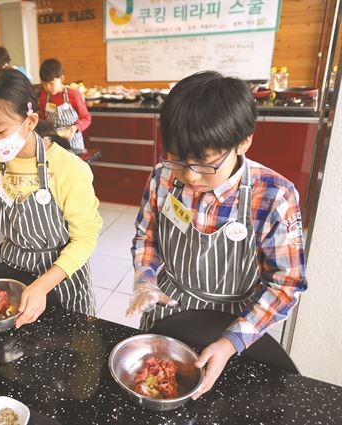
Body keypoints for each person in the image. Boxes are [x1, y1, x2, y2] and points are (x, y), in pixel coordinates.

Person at [125, 71, 308, 399]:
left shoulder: (274, 196)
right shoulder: (164, 177)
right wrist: (145, 279)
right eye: (179, 158)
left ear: (243, 142)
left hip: (232, 324)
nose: (190, 175)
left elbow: (287, 284)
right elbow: (146, 236)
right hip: (169, 308)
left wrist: (229, 342)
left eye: (205, 162)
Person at [0, 69, 102, 327]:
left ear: (30, 122)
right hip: (13, 273)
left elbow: (84, 239)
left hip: (62, 278)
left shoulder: (69, 169)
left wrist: (43, 285)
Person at [38, 58, 91, 153]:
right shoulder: (44, 97)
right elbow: (42, 119)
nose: (48, 87)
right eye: (45, 84)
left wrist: (75, 128)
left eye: (51, 83)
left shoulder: (73, 95)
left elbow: (86, 118)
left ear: (61, 79)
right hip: (53, 143)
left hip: (73, 142)